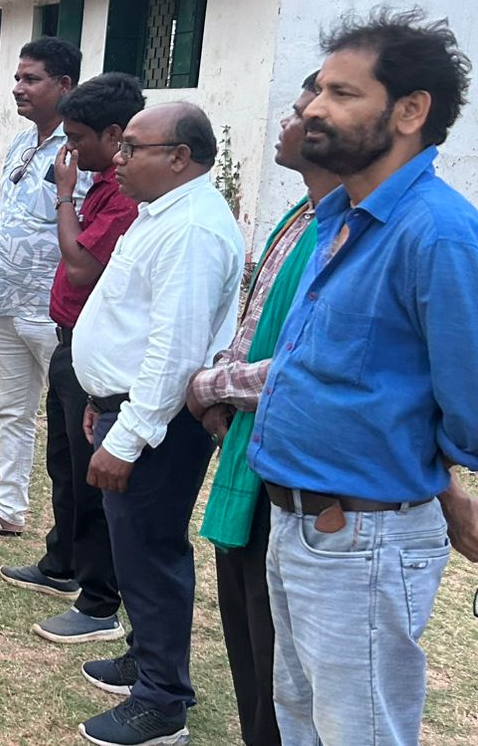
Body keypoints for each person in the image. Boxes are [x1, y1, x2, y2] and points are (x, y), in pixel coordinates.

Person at [251, 10, 478, 744]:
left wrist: (433, 478)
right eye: (318, 90)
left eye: (342, 94)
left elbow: (471, 405)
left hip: (365, 539)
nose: (315, 108)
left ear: (410, 112)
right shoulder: (339, 219)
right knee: (301, 724)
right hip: (300, 524)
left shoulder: (437, 233)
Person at [70, 102, 243, 746]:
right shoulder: (161, 214)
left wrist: (128, 435)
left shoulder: (191, 229)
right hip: (128, 404)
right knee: (135, 547)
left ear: (178, 157)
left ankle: (162, 702)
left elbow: (176, 349)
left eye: (133, 148)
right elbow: (133, 322)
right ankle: (146, 657)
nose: (118, 158)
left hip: (159, 421)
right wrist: (102, 394)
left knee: (151, 552)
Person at [178, 73, 329, 746]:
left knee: (281, 656)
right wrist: (223, 386)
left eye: (301, 112)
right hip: (251, 442)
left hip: (301, 470)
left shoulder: (348, 232)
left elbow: (308, 362)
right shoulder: (300, 215)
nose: (287, 123)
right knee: (247, 632)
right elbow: (253, 324)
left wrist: (213, 386)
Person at [0, 73, 143, 646]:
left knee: (93, 477)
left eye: (78, 138)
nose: (71, 150)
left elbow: (81, 266)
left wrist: (63, 194)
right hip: (69, 341)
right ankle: (62, 562)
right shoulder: (103, 184)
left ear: (114, 135)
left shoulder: (120, 196)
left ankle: (99, 601)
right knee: (65, 463)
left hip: (92, 347)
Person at [0, 37, 86, 538]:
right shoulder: (20, 142)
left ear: (64, 84)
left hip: (55, 311)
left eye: (31, 79)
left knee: (72, 423)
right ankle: (9, 507)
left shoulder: (81, 150)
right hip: (7, 300)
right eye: (17, 78)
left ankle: (77, 534)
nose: (17, 88)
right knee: (13, 412)